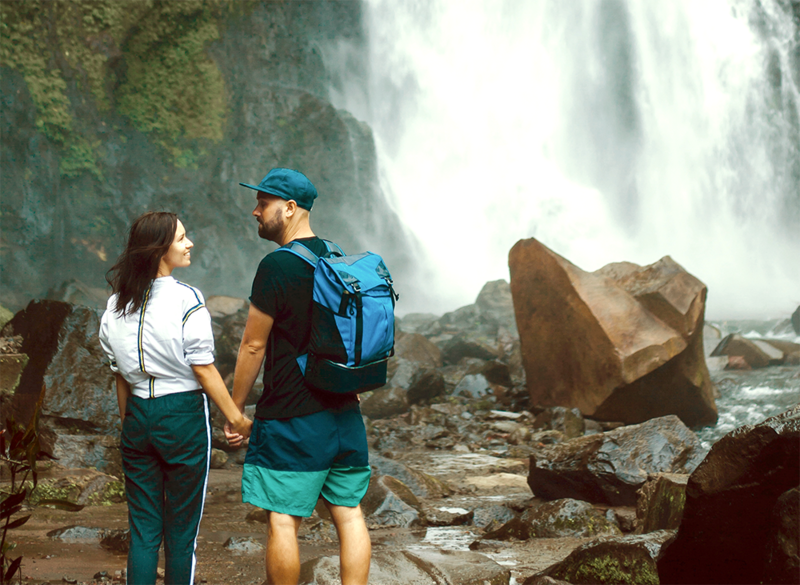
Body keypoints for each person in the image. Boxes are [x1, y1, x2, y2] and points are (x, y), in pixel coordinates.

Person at [228, 168, 371, 585]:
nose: (255, 211)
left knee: (284, 521)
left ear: (290, 209)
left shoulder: (276, 266)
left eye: (264, 203)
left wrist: (234, 409)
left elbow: (253, 345)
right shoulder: (337, 255)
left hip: (293, 416)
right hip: (344, 414)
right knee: (349, 514)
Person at [99, 211, 252, 585]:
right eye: (181, 238)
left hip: (137, 415)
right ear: (158, 250)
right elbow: (203, 367)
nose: (189, 243)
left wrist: (131, 424)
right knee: (181, 535)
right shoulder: (187, 299)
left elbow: (119, 375)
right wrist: (237, 417)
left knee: (143, 532)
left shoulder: (115, 305)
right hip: (181, 415)